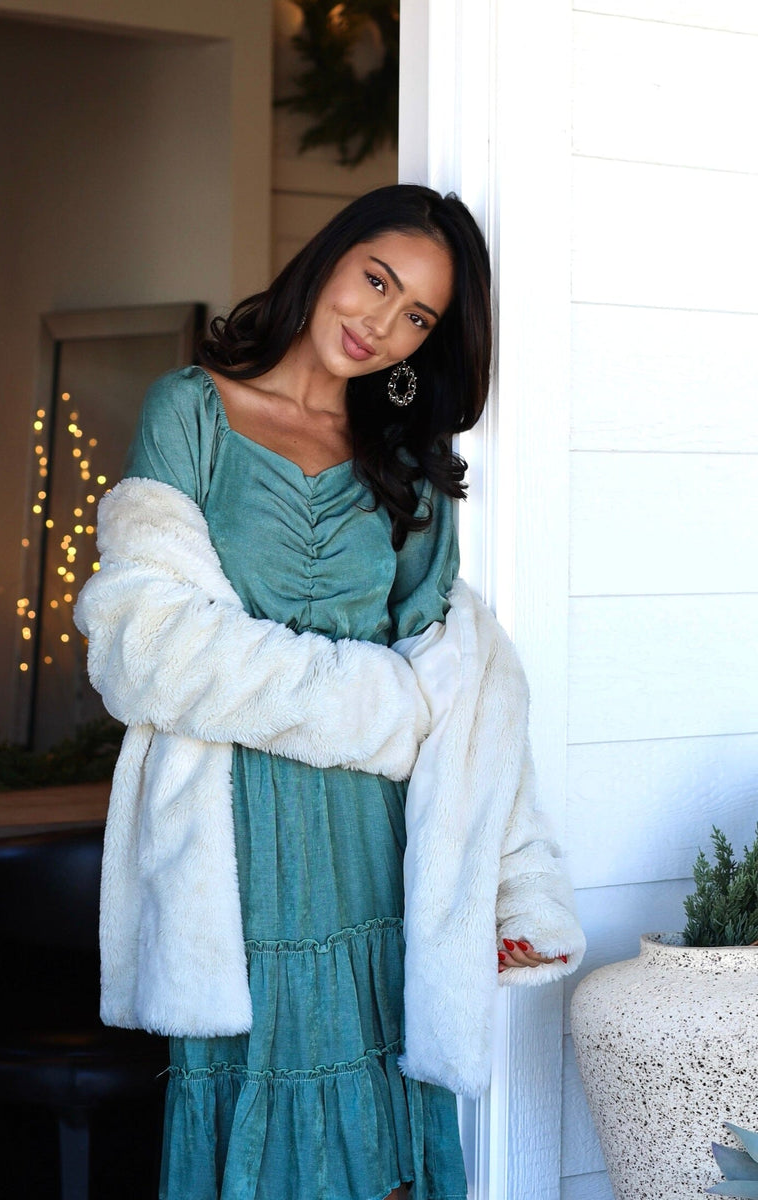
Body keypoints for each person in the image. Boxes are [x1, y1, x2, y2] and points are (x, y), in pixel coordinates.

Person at [77, 184, 583, 1200]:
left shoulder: (406, 464)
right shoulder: (193, 410)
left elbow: (464, 690)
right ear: (331, 255)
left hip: (371, 850)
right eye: (377, 281)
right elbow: (145, 645)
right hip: (231, 844)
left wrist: (515, 882)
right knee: (257, 1132)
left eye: (418, 317)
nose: (381, 325)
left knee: (382, 1143)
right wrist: (371, 700)